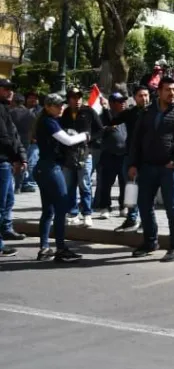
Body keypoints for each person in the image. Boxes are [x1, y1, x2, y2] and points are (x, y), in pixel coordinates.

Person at [128, 76, 174, 262]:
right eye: (168, 90)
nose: (172, 93)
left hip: (170, 168)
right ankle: (150, 242)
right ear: (158, 92)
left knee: (172, 207)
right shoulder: (147, 112)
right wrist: (133, 163)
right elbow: (136, 140)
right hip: (147, 167)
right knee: (144, 204)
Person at [33, 93, 90, 262]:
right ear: (48, 106)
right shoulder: (49, 122)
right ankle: (61, 249)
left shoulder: (46, 120)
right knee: (61, 207)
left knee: (48, 210)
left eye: (61, 105)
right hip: (51, 168)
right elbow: (68, 141)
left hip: (43, 168)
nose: (61, 108)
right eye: (57, 105)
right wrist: (84, 136)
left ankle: (44, 248)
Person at [61, 86, 102, 227]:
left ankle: (87, 214)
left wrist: (89, 138)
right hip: (68, 154)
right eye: (73, 97)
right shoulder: (65, 112)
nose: (77, 100)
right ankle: (72, 213)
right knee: (69, 184)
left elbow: (100, 130)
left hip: (85, 154)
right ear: (68, 99)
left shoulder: (89, 111)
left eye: (79, 97)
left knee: (85, 184)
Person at [114, 85, 151, 232]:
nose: (144, 98)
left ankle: (146, 221)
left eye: (146, 95)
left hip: (148, 157)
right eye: (141, 95)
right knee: (130, 189)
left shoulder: (154, 112)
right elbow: (112, 120)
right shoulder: (130, 113)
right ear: (134, 98)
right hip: (130, 156)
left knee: (147, 191)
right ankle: (131, 218)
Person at [0, 79, 26, 258]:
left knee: (8, 200)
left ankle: (6, 229)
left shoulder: (5, 109)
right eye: (6, 89)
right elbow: (4, 138)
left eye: (11, 89)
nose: (10, 92)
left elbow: (14, 136)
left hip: (6, 161)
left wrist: (20, 156)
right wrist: (16, 157)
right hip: (2, 161)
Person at [95, 92, 129, 220]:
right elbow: (97, 132)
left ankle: (124, 206)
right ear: (112, 103)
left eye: (124, 101)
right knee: (106, 183)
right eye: (120, 101)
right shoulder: (103, 116)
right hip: (109, 155)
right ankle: (105, 207)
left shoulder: (127, 116)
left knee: (125, 182)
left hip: (125, 155)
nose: (123, 103)